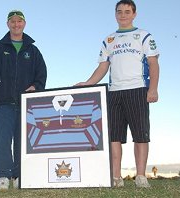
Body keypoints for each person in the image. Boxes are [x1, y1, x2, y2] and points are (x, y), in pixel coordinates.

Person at [76, 0, 159, 188]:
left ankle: (140, 177)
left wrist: (153, 88)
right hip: (114, 93)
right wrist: (88, 83)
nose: (123, 15)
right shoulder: (109, 40)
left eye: (127, 11)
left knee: (140, 135)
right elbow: (103, 66)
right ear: (115, 14)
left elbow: (153, 63)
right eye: (119, 12)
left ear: (134, 14)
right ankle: (116, 177)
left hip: (138, 90)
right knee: (114, 137)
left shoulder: (144, 36)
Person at [0, 10, 47, 190]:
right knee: (3, 139)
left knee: (22, 140)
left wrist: (36, 87)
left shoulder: (32, 50)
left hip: (26, 104)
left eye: (19, 21)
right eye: (13, 21)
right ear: (8, 24)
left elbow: (41, 74)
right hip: (3, 103)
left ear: (24, 24)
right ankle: (2, 176)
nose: (16, 25)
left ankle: (18, 176)